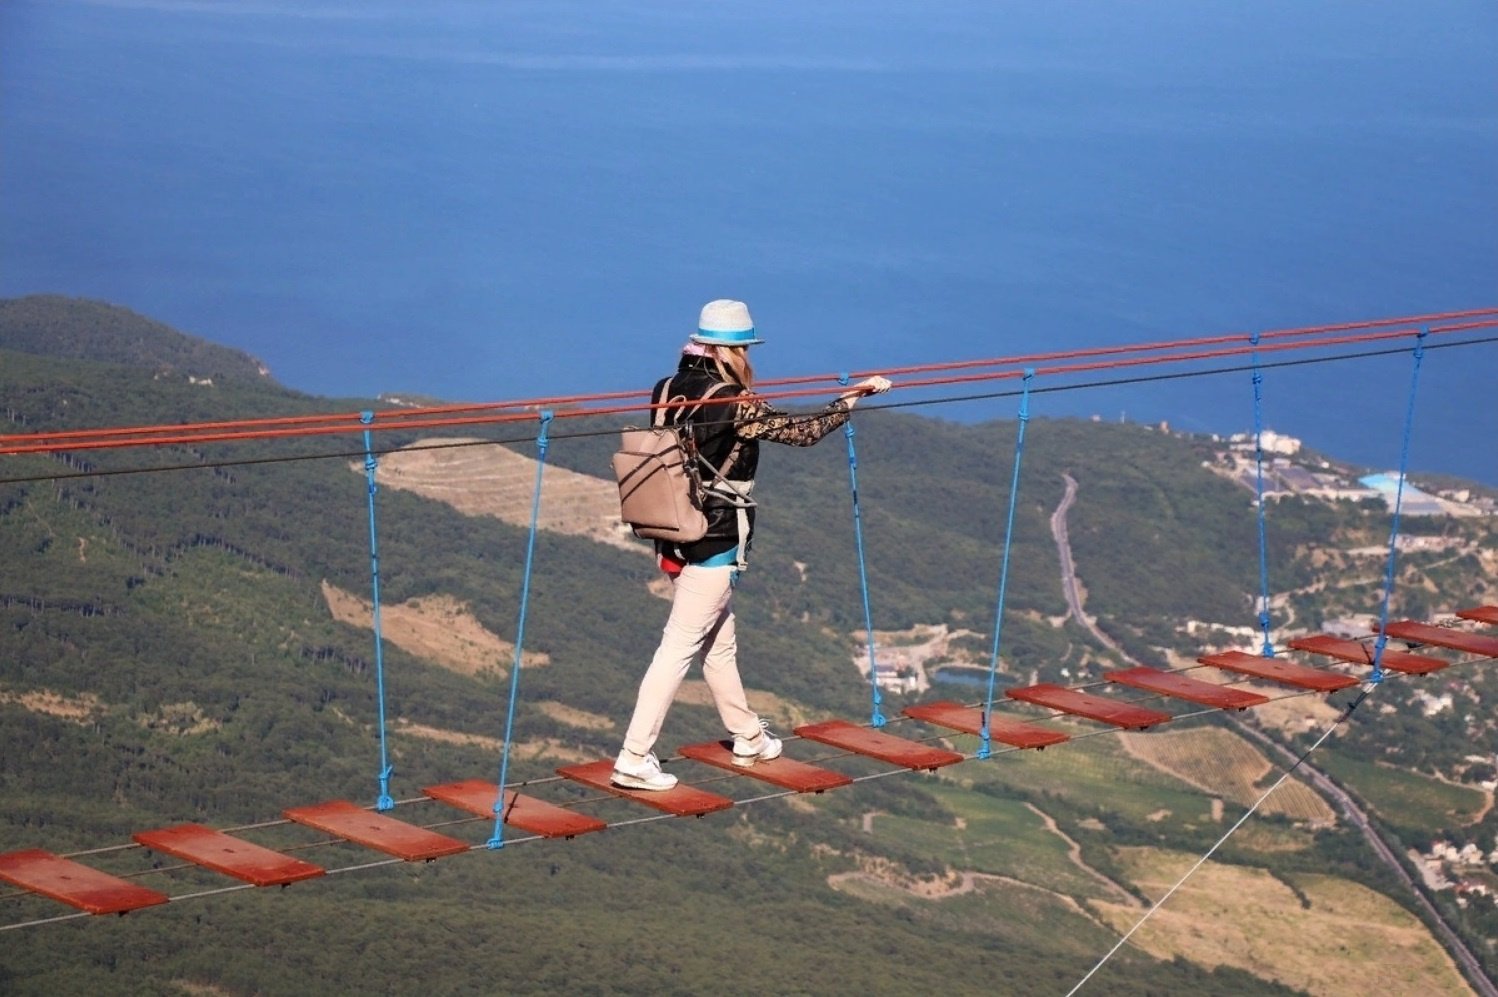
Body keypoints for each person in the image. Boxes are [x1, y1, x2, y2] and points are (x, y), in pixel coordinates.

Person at [612, 299, 892, 791]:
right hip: (715, 538)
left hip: (672, 531)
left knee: (719, 647)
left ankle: (748, 737)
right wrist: (852, 399)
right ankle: (634, 756)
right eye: (743, 348)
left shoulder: (665, 387)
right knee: (677, 649)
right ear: (727, 350)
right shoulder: (734, 401)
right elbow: (801, 433)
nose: (746, 357)